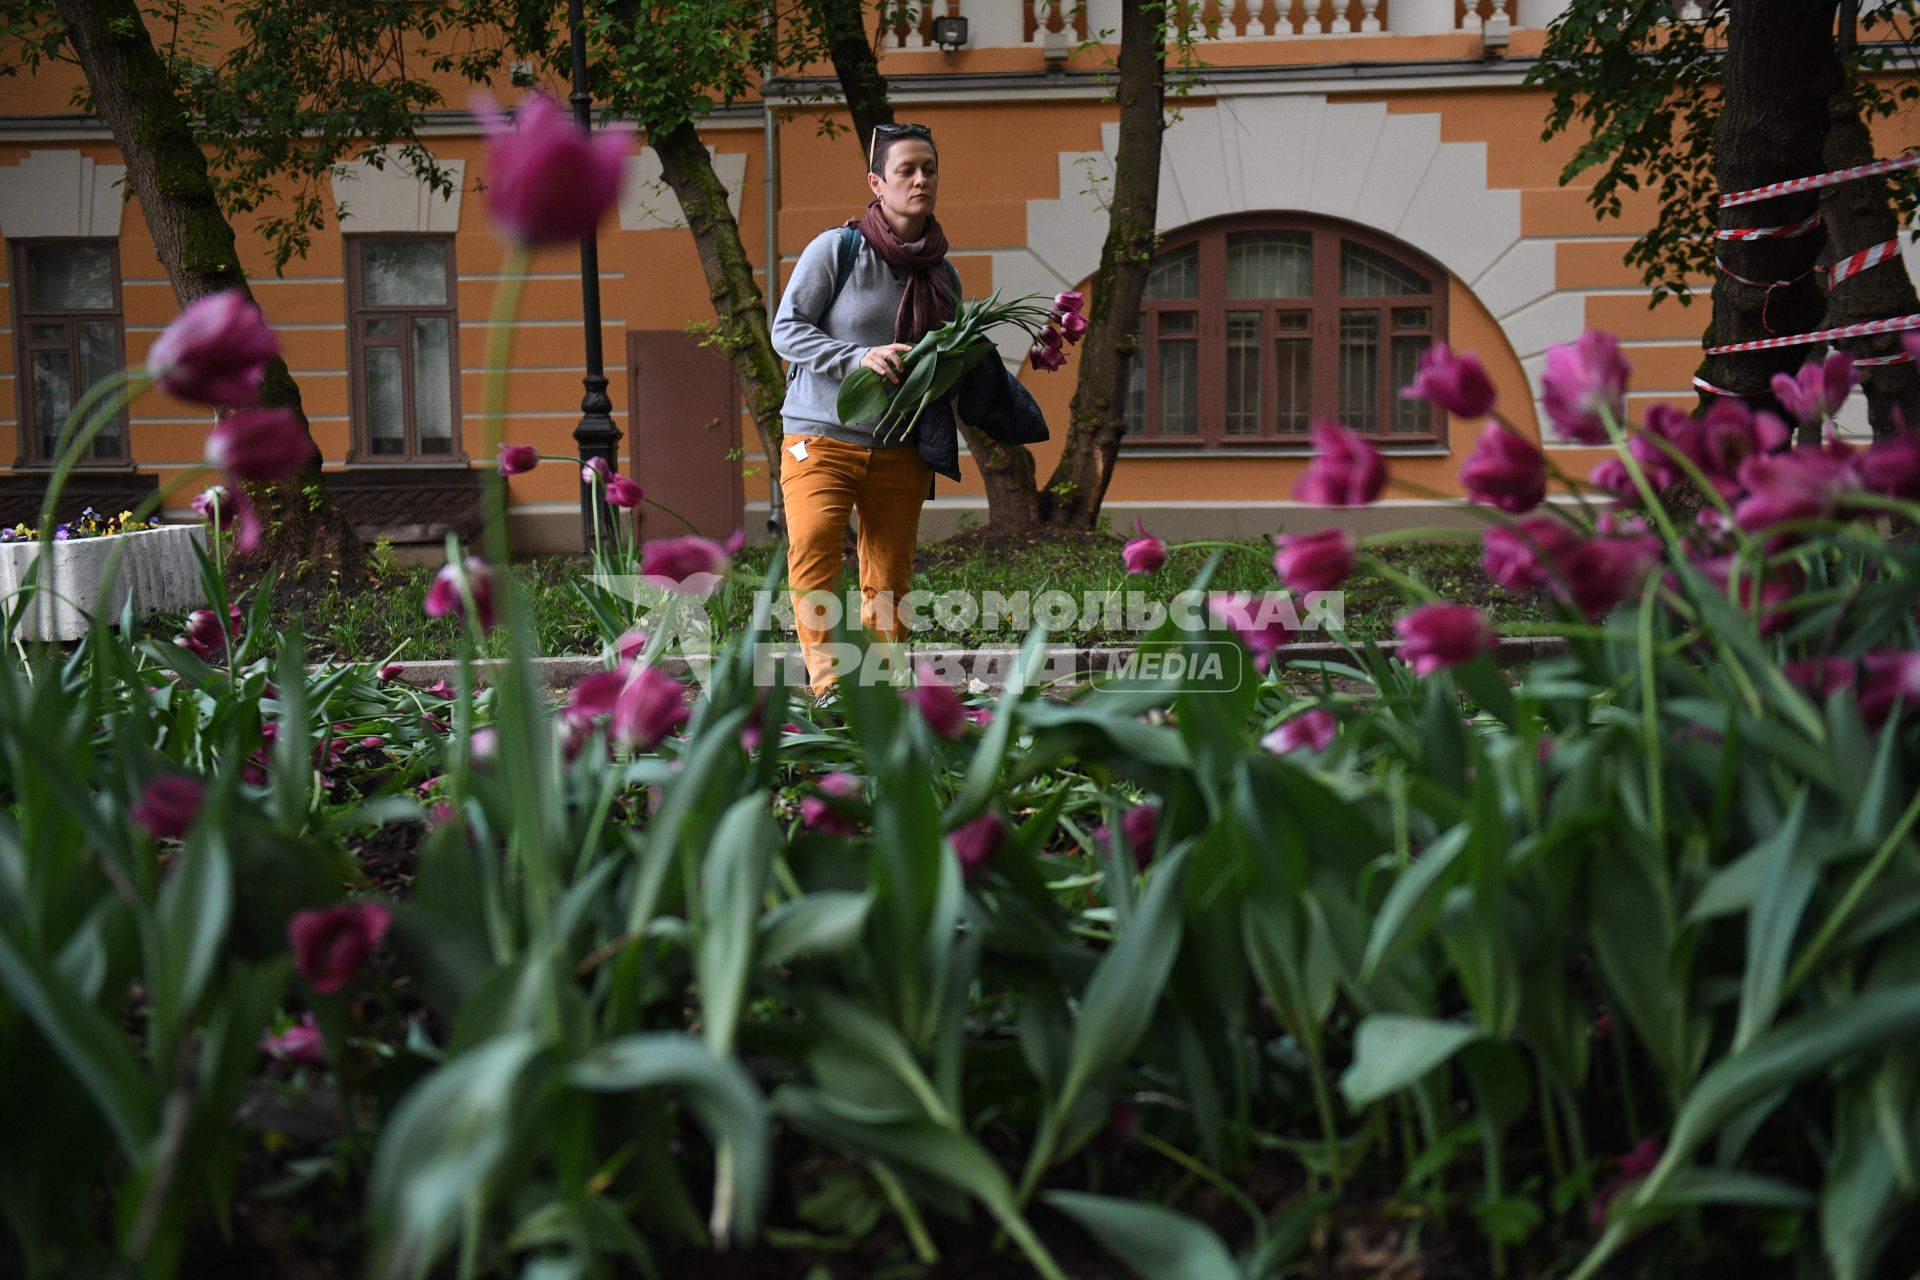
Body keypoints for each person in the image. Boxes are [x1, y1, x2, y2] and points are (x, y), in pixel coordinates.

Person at [771, 121, 955, 700]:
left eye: (928, 169)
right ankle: (828, 686)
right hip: (820, 436)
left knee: (889, 575)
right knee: (815, 548)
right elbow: (785, 330)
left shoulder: (942, 273)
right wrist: (857, 358)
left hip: (899, 445)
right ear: (877, 183)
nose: (920, 180)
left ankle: (881, 692)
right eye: (906, 170)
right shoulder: (838, 249)